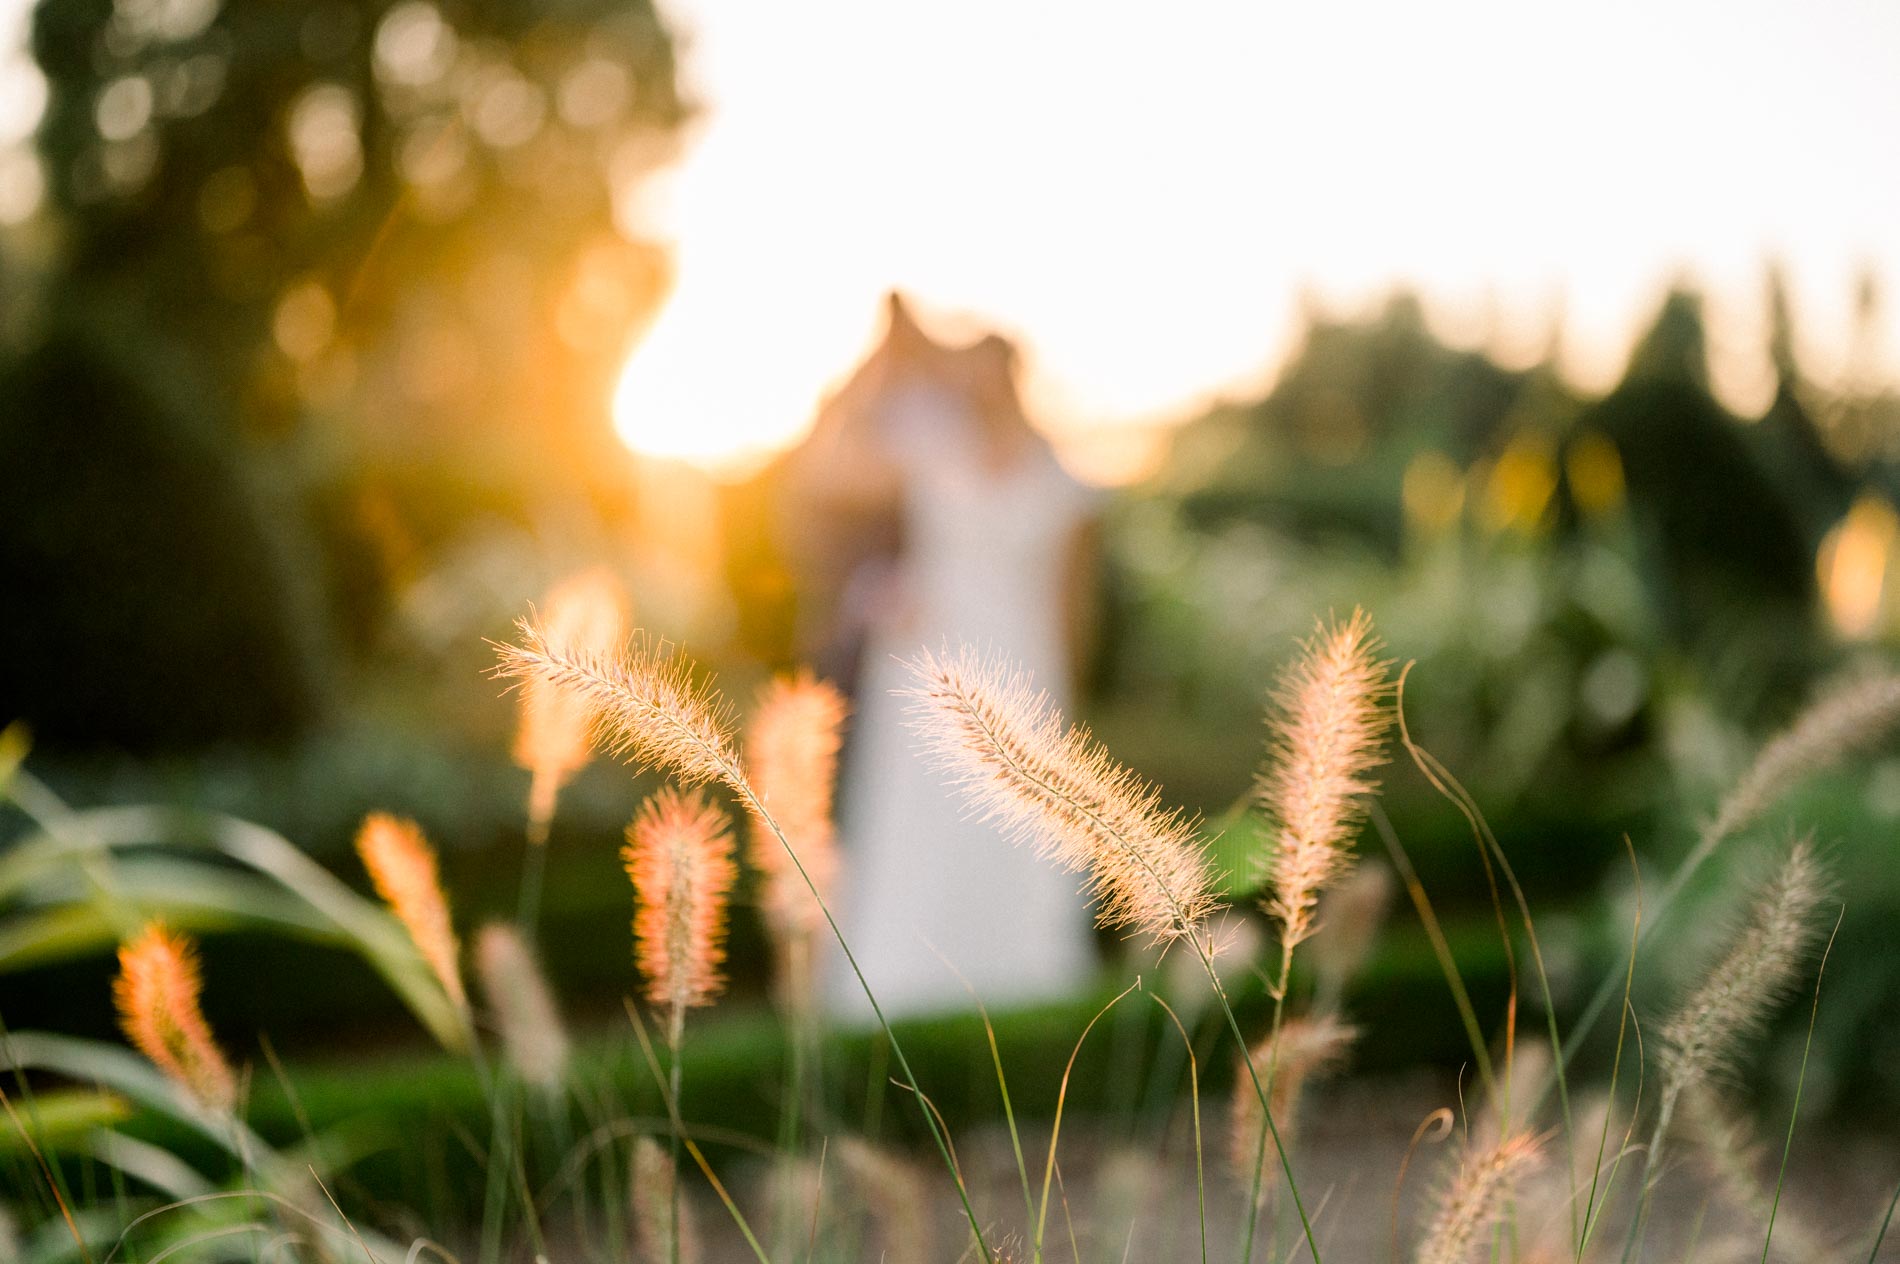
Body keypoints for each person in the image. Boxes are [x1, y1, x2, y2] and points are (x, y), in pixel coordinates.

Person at [783, 294, 1102, 1019]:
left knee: (1012, 830)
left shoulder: (1061, 480)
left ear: (1015, 377)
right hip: (928, 670)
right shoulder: (930, 449)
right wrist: (879, 364)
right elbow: (822, 472)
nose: (976, 389)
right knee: (920, 837)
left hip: (1021, 665)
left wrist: (1067, 702)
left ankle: (1020, 986)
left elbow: (1069, 603)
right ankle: (904, 991)